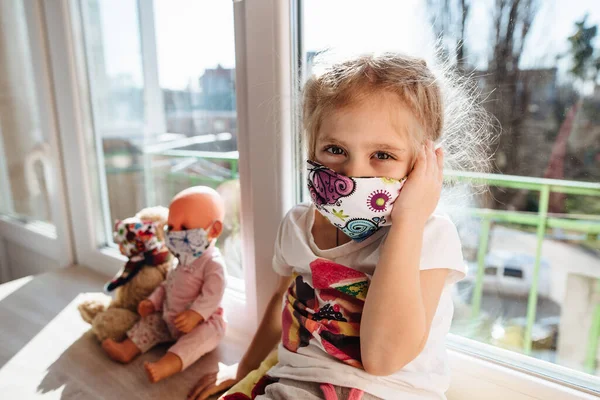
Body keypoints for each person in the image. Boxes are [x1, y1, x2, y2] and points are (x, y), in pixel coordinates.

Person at [189, 52, 491, 400]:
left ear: (423, 163)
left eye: (382, 155)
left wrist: (407, 222)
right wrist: (243, 373)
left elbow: (383, 359)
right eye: (335, 149)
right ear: (312, 148)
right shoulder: (298, 224)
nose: (353, 174)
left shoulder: (429, 235)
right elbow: (282, 304)